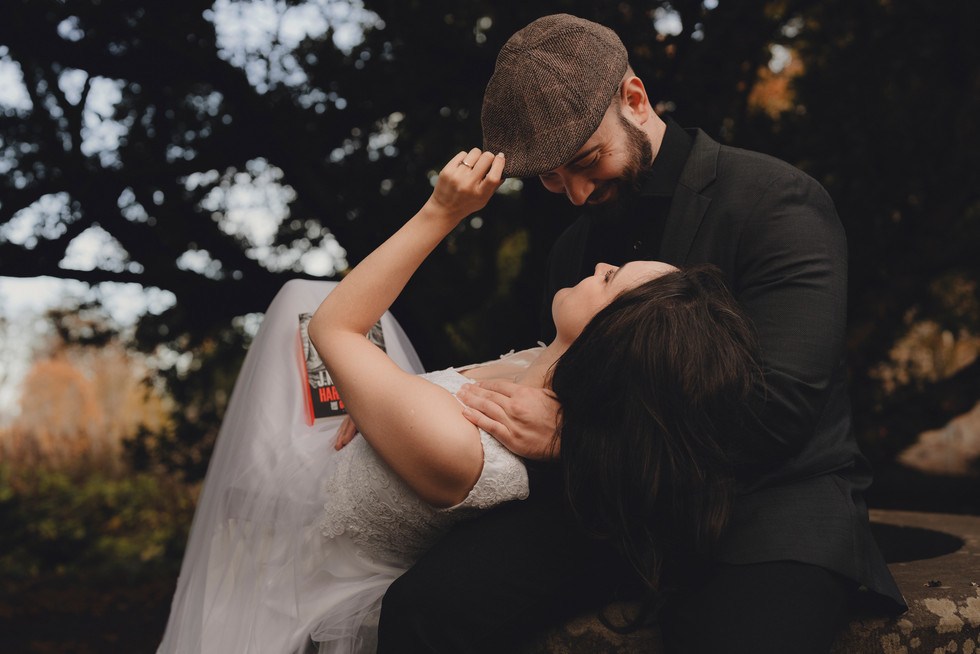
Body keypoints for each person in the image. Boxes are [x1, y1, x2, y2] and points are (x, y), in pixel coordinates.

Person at [377, 14, 908, 654]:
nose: (572, 194)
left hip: (764, 510)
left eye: (585, 161)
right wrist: (402, 398)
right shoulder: (574, 248)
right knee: (423, 609)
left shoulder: (774, 201)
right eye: (548, 176)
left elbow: (776, 412)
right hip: (613, 515)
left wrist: (575, 438)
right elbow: (540, 375)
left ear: (635, 98)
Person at [155, 147, 760, 653]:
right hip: (336, 463)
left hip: (299, 545)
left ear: (612, 339)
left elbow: (332, 328)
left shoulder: (460, 446)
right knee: (303, 295)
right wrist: (380, 402)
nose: (601, 262)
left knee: (304, 303)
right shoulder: (534, 377)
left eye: (610, 279)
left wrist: (443, 211)